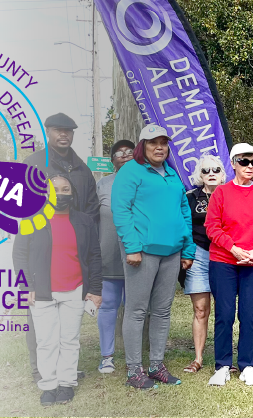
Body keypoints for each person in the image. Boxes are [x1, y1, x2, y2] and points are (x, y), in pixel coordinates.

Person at [111, 124, 196, 389]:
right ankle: (134, 370)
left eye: (163, 142)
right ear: (142, 146)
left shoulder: (171, 174)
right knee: (136, 311)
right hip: (143, 253)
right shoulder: (130, 172)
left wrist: (188, 248)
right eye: (152, 143)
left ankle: (156, 366)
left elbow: (184, 212)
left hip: (172, 253)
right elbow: (121, 210)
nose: (159, 147)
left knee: (162, 311)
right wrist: (132, 247)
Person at [19, 112, 101, 383]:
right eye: (57, 130)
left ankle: (66, 371)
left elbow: (92, 209)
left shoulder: (82, 169)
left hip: (72, 251)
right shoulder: (32, 164)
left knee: (68, 326)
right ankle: (38, 369)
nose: (63, 134)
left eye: (68, 130)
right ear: (48, 132)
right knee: (41, 322)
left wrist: (83, 231)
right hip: (41, 251)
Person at [13, 174, 102, 406]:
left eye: (65, 190)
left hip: (75, 290)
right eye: (54, 190)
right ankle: (49, 385)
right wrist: (25, 286)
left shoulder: (84, 221)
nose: (60, 194)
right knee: (46, 341)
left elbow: (94, 256)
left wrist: (95, 289)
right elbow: (20, 255)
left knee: (69, 340)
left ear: (72, 193)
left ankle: (66, 383)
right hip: (41, 292)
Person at [204, 143, 253, 387]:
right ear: (234, 163)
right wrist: (234, 249)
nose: (250, 166)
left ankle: (247, 365)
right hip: (224, 261)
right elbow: (212, 227)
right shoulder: (221, 193)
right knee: (224, 314)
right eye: (245, 161)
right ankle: (223, 364)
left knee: (249, 313)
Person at [181, 154, 225, 375]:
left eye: (215, 170)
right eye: (206, 170)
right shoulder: (190, 197)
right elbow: (183, 226)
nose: (211, 174)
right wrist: (186, 254)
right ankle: (198, 359)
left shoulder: (230, 196)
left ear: (222, 174)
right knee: (200, 310)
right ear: (200, 175)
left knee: (224, 310)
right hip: (198, 254)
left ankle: (223, 358)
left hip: (224, 255)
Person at [95, 139, 135, 375]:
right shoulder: (102, 184)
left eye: (129, 151)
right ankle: (107, 357)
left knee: (134, 308)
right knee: (108, 306)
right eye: (119, 152)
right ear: (112, 160)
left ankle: (135, 358)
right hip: (108, 256)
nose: (124, 155)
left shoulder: (144, 181)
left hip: (137, 257)